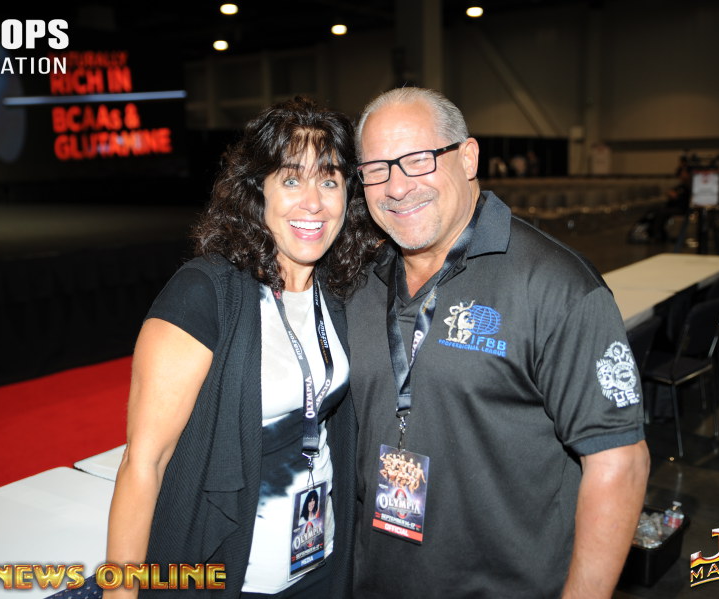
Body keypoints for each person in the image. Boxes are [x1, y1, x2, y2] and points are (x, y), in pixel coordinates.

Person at [347, 87, 650, 598]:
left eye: (419, 160)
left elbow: (619, 463)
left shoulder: (553, 284)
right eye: (377, 169)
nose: (397, 187)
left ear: (468, 158)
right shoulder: (359, 282)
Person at [105, 95, 380, 598]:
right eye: (291, 180)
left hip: (321, 564)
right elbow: (144, 462)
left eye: (329, 180)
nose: (313, 201)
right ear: (258, 192)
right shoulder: (204, 295)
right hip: (230, 573)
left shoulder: (338, 290)